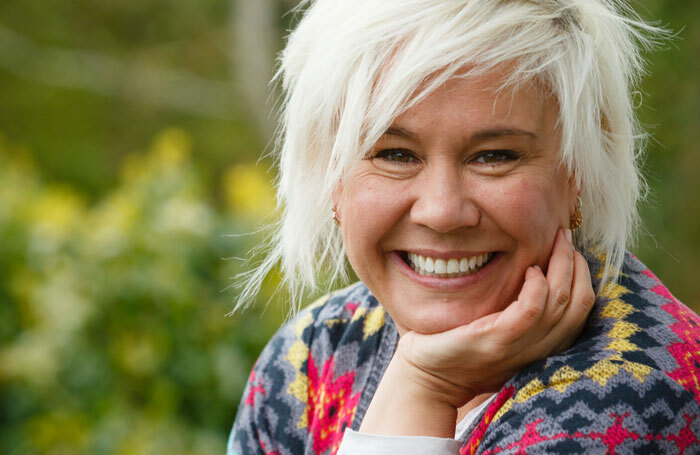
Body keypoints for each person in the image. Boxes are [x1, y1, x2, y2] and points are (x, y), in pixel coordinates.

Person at [228, 1, 700, 454]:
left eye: (494, 156)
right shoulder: (312, 358)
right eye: (394, 154)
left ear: (577, 171)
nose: (442, 211)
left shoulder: (632, 394)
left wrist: (426, 387)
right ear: (331, 177)